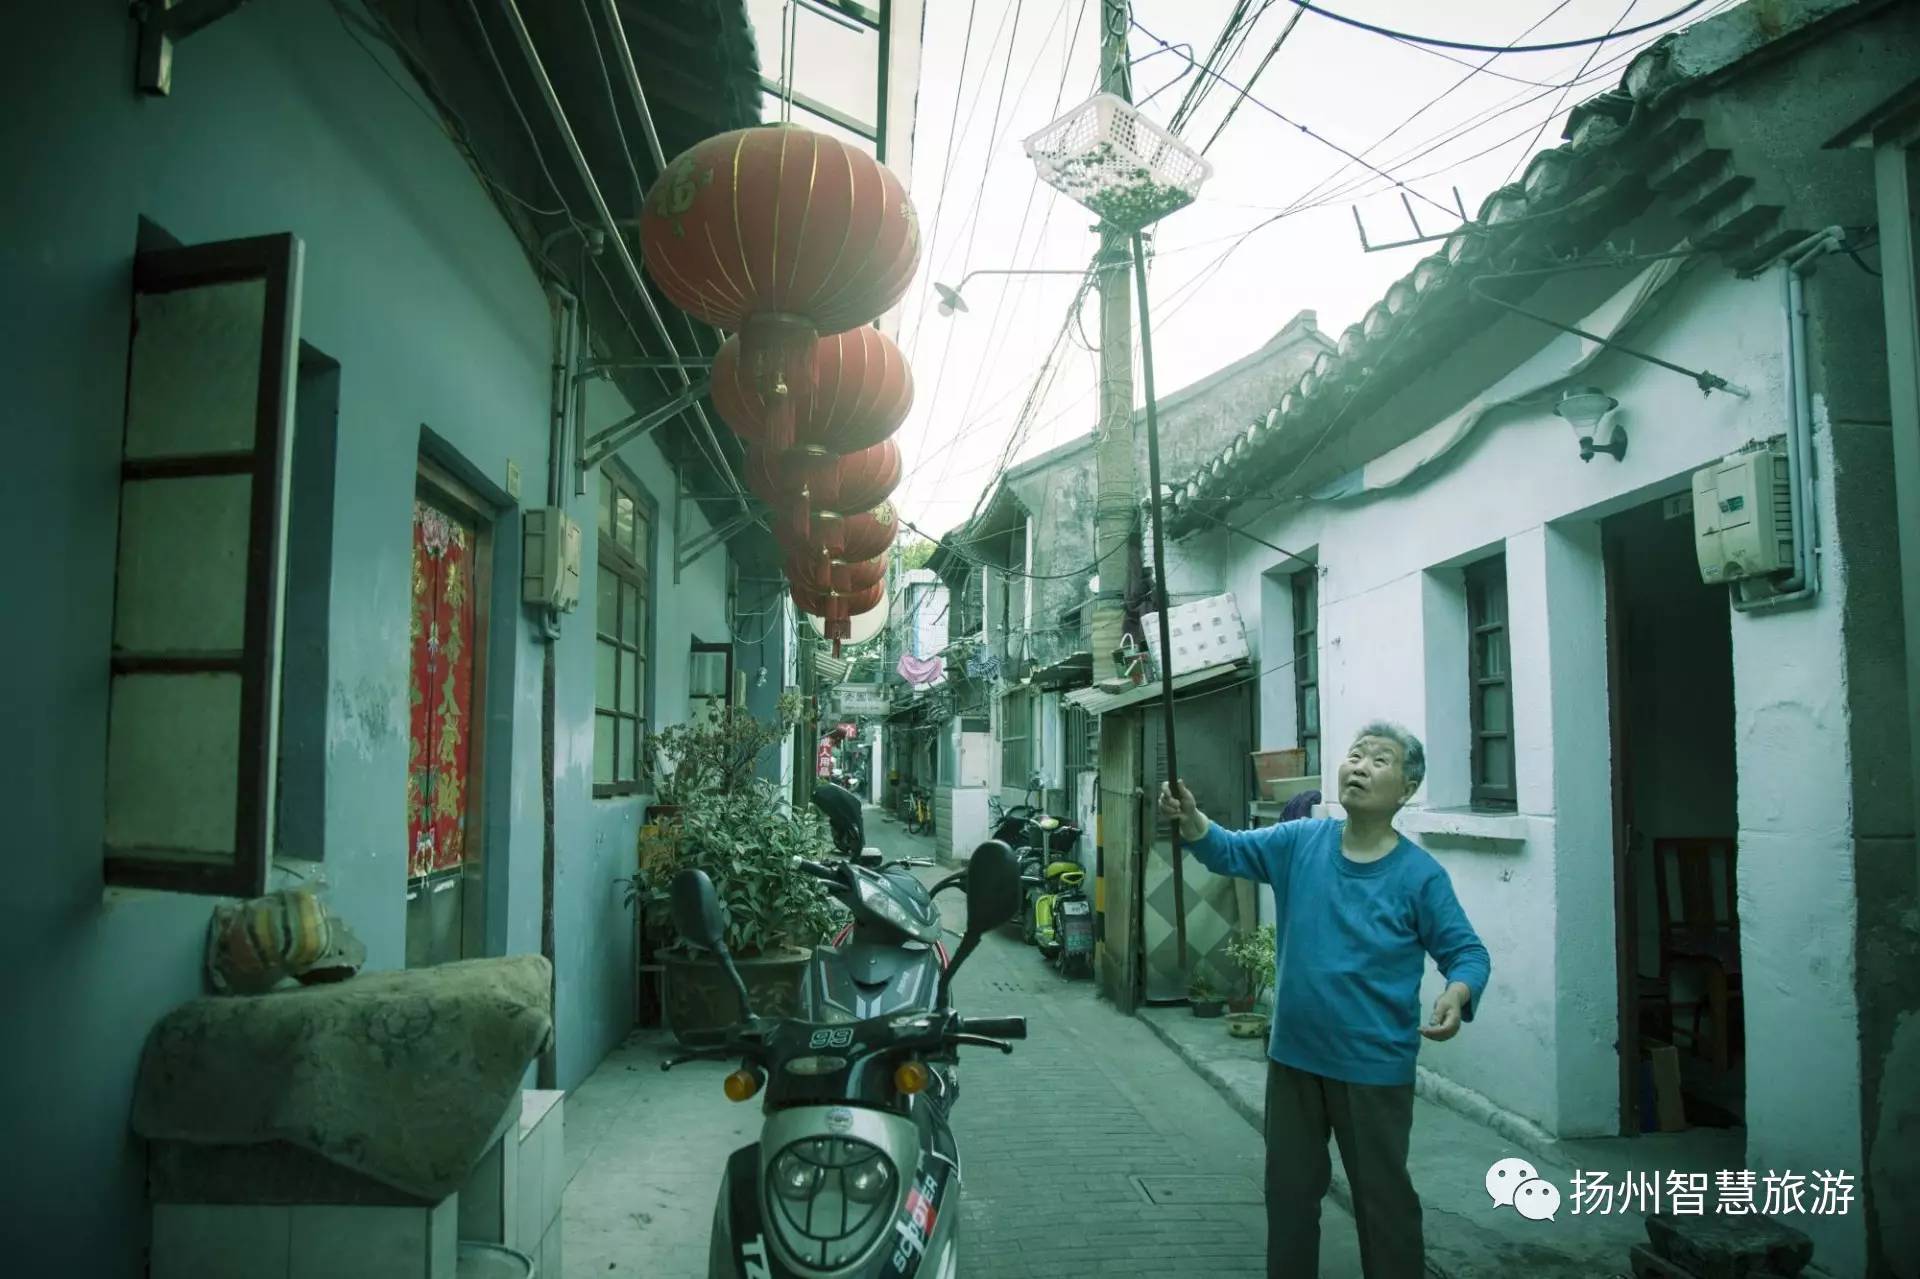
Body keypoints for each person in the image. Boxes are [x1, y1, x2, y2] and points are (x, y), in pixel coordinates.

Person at [1157, 721, 1490, 1279]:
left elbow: (1467, 953)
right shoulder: (1300, 842)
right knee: (1288, 1197)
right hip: (1294, 1060)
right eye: (1356, 754)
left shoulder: (1420, 876)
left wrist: (1458, 992)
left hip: (1374, 1071)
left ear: (1406, 790)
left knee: (1383, 1207)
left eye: (1379, 760)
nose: (1359, 765)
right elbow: (1228, 851)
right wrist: (1192, 819)